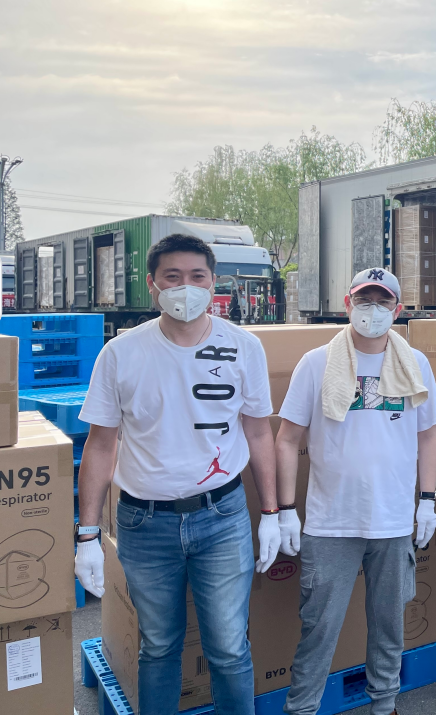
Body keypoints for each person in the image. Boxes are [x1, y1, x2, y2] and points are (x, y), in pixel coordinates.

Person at [74, 233, 281, 715]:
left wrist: (272, 512)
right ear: (152, 285)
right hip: (145, 523)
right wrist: (86, 535)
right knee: (159, 645)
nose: (185, 287)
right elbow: (101, 445)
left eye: (196, 276)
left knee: (229, 647)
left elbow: (258, 432)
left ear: (213, 283)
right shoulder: (121, 353)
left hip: (222, 516)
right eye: (172, 277)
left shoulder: (243, 347)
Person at [274, 268, 436, 715]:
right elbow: (287, 439)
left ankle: (384, 705)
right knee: (318, 628)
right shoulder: (317, 363)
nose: (373, 310)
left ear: (397, 310)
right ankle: (302, 709)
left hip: (393, 521)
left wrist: (427, 502)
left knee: (389, 626)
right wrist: (285, 510)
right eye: (364, 300)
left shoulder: (415, 364)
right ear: (347, 305)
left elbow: (429, 435)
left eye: (382, 301)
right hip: (331, 523)